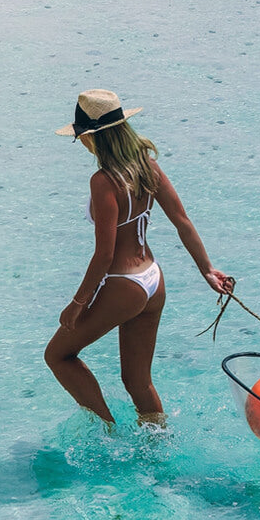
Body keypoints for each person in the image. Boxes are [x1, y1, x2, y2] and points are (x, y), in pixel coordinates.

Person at [45, 89, 233, 425]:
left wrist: (77, 303)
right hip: (153, 281)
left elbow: (104, 255)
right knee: (138, 381)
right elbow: (182, 222)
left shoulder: (104, 181)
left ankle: (107, 434)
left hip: (123, 285)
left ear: (93, 138)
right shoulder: (148, 167)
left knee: (58, 356)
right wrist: (207, 270)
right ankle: (158, 447)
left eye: (82, 138)